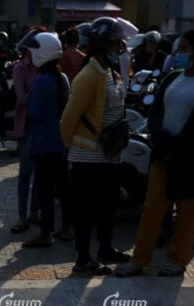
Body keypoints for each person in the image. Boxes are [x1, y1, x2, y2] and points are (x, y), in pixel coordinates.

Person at [116, 29, 194, 278]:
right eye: (178, 49)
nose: (178, 54)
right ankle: (139, 259)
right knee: (152, 209)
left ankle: (178, 260)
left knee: (187, 212)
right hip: (162, 156)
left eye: (184, 49)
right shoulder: (172, 77)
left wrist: (174, 145)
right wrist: (160, 138)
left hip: (190, 159)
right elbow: (155, 112)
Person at [60, 16, 133, 275]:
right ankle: (83, 259)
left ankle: (105, 249)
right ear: (102, 44)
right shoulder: (89, 74)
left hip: (110, 154)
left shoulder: (110, 72)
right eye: (115, 43)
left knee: (108, 207)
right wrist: (72, 147)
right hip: (88, 156)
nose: (119, 48)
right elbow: (69, 117)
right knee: (86, 211)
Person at [21, 32, 71, 248]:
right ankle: (67, 228)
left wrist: (30, 96)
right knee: (63, 188)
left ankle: (45, 233)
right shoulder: (62, 78)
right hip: (60, 142)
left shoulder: (42, 81)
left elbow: (34, 112)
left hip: (42, 144)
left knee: (45, 192)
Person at [11, 29, 41, 233]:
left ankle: (34, 212)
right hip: (27, 124)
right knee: (25, 172)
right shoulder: (20, 68)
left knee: (39, 173)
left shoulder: (45, 67)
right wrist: (41, 88)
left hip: (42, 124)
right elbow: (21, 99)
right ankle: (22, 215)